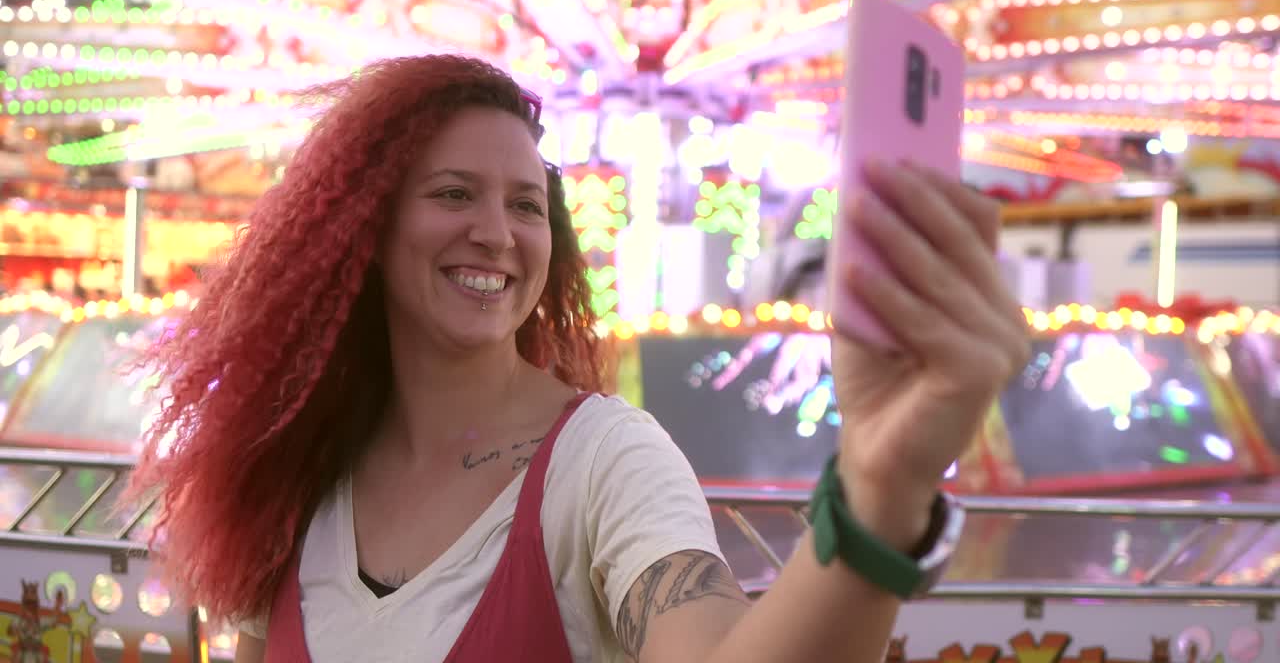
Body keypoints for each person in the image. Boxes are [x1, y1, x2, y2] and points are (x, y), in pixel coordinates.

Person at [126, 54, 1029, 663]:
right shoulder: (301, 469)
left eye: (526, 205)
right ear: (365, 230)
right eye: (453, 194)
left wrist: (880, 491)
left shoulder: (603, 463)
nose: (497, 233)